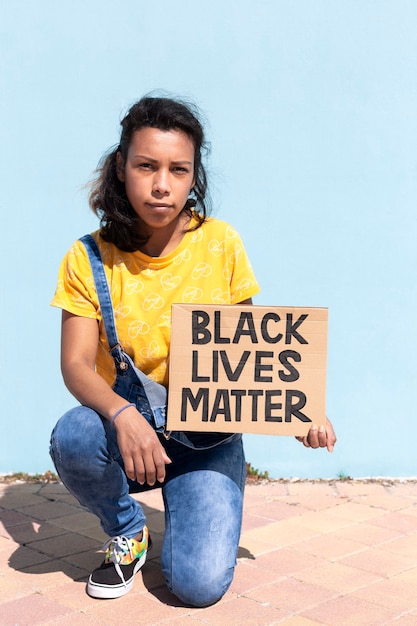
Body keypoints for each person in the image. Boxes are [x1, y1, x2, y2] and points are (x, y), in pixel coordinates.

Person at [50, 95, 336, 607]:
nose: (162, 184)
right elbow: (74, 364)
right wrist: (121, 415)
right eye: (146, 166)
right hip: (130, 423)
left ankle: (196, 494)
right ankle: (127, 530)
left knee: (197, 587)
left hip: (208, 435)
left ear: (193, 175)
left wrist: (301, 412)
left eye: (178, 169)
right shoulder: (88, 256)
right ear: (121, 167)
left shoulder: (221, 244)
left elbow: (252, 348)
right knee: (74, 434)